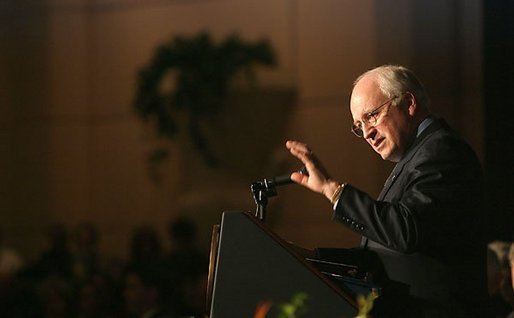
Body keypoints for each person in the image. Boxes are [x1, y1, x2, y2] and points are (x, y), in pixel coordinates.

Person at [286, 65, 486, 317]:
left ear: (409, 102)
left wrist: (332, 189)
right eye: (359, 125)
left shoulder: (442, 151)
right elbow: (380, 256)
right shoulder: (416, 157)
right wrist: (311, 258)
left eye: (371, 116)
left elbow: (406, 230)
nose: (367, 133)